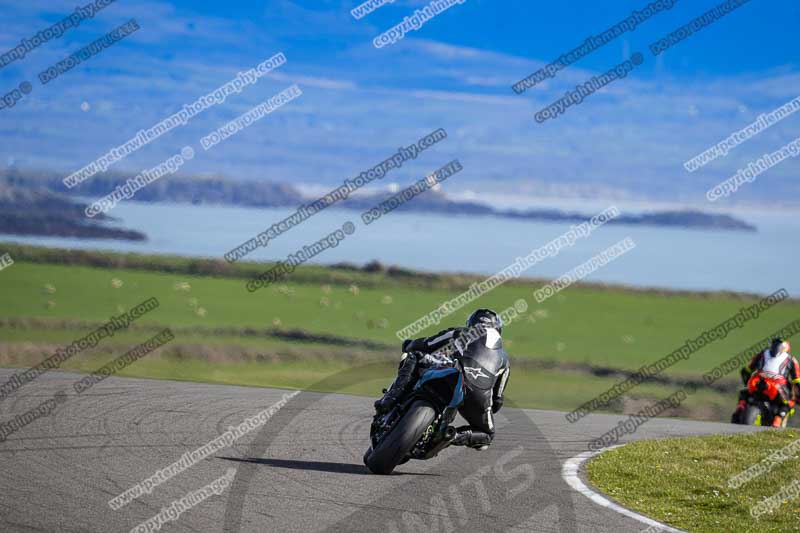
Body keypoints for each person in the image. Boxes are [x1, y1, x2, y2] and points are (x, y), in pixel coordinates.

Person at [374, 308, 510, 450]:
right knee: (487, 435)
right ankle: (451, 436)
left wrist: (408, 344)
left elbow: (426, 344)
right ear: (499, 329)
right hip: (478, 395)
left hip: (451, 373)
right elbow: (497, 401)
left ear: (472, 323)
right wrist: (483, 407)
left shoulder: (460, 333)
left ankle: (389, 400)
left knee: (414, 356)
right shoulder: (504, 359)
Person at [732, 338, 800, 427]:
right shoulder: (791, 359)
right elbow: (797, 380)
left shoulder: (762, 353)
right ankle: (778, 420)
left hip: (756, 382)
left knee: (745, 393)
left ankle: (740, 408)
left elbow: (746, 371)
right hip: (778, 387)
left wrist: (746, 382)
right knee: (789, 402)